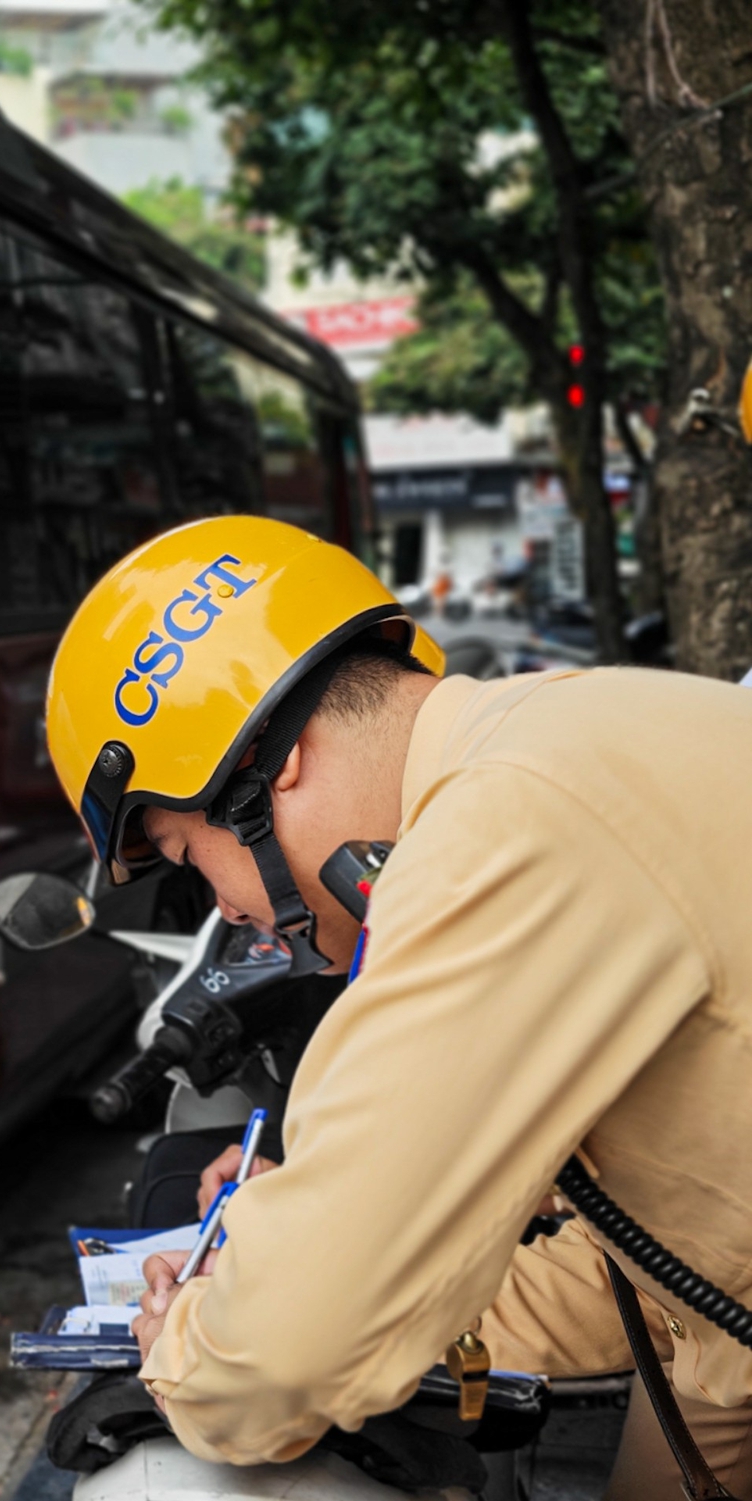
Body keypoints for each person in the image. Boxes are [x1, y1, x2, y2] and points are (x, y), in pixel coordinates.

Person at [41, 515, 752, 1498]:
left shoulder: (496, 831)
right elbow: (651, 1254)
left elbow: (276, 1366)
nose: (226, 908)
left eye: (183, 855)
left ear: (261, 767)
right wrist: (377, 1271)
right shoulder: (554, 729)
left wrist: (189, 1345)